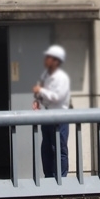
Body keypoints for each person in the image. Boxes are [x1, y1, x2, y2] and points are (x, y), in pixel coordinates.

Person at [32, 44, 71, 179]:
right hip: (47, 115)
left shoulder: (62, 78)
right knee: (47, 149)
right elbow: (42, 92)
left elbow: (57, 97)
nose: (45, 59)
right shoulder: (45, 75)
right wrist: (37, 99)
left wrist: (40, 91)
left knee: (59, 149)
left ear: (56, 60)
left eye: (48, 57)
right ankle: (49, 177)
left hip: (59, 117)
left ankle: (60, 178)